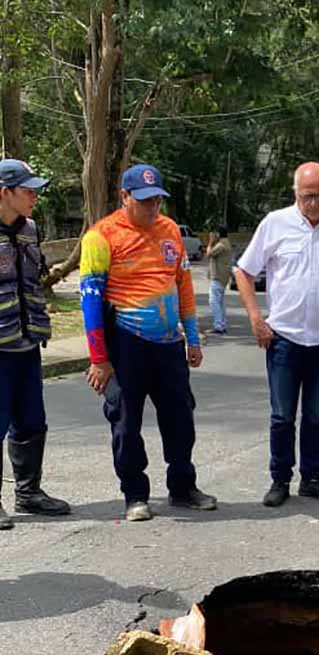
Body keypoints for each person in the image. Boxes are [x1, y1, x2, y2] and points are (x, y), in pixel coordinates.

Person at [79, 163, 217, 522]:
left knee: (180, 417)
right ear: (124, 197)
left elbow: (183, 286)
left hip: (169, 343)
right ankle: (135, 495)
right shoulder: (101, 237)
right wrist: (99, 359)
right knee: (126, 422)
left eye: (157, 199)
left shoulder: (170, 230)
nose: (152, 207)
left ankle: (183, 487)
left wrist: (193, 337)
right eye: (144, 200)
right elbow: (90, 302)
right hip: (127, 343)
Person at [234, 161, 319, 507]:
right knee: (282, 416)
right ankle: (280, 479)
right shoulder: (275, 223)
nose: (313, 204)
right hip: (283, 338)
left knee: (315, 414)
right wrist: (255, 317)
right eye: (307, 196)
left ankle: (312, 477)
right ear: (295, 193)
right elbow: (244, 271)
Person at [0, 159, 70, 530]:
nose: (34, 198)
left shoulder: (29, 229)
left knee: (31, 420)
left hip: (27, 343)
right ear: (4, 192)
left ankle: (29, 493)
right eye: (27, 191)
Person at [206, 224, 232, 334]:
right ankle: (222, 323)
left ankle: (218, 325)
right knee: (220, 301)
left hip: (218, 277)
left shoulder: (221, 245)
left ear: (218, 234)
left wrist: (210, 241)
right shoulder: (225, 243)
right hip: (222, 277)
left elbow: (208, 253)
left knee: (214, 301)